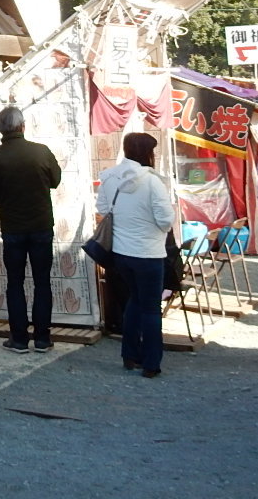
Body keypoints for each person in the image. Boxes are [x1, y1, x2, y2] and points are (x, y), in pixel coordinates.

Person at [0, 106, 62, 353]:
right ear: (23, 126)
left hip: (13, 228)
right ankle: (43, 338)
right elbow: (55, 180)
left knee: (15, 283)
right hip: (42, 225)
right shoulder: (41, 152)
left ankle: (19, 338)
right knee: (42, 282)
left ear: (0, 129)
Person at [97, 132, 176, 378]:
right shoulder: (153, 182)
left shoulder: (110, 177)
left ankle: (130, 355)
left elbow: (101, 209)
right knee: (151, 308)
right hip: (149, 253)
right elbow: (165, 221)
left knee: (134, 301)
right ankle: (151, 362)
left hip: (121, 253)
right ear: (147, 153)